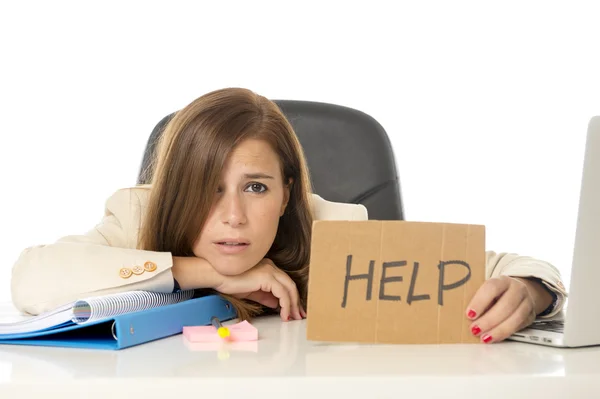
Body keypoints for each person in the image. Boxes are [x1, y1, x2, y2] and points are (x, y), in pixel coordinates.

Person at [10, 87, 567, 344]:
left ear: (287, 194)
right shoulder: (137, 216)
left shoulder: (335, 228)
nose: (232, 215)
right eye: (209, 188)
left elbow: (506, 261)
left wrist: (529, 287)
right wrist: (205, 272)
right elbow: (30, 278)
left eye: (255, 187)